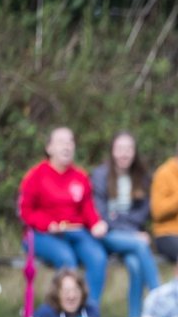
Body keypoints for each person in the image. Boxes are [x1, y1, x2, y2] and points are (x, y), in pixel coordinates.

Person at [18, 127, 110, 304]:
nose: (67, 147)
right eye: (61, 142)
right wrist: (48, 224)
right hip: (42, 234)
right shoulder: (35, 176)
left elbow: (87, 208)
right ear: (49, 148)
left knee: (98, 258)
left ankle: (90, 312)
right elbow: (25, 212)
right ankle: (66, 312)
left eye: (70, 142)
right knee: (66, 259)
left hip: (75, 232)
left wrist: (96, 224)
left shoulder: (80, 176)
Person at [91, 131, 161, 317]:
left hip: (129, 236)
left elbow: (142, 213)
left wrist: (125, 225)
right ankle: (161, 299)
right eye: (120, 149)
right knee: (141, 245)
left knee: (135, 264)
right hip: (106, 236)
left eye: (128, 149)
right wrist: (131, 231)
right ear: (112, 151)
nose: (124, 154)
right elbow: (102, 216)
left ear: (134, 152)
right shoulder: (100, 175)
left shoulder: (142, 177)